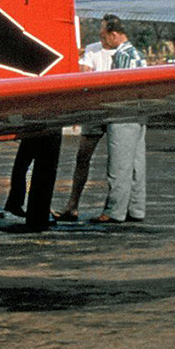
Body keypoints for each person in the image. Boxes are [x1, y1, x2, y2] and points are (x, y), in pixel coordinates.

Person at [92, 15, 147, 225]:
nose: (103, 41)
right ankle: (136, 208)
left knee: (119, 166)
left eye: (104, 36)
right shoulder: (138, 55)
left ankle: (114, 210)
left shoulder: (122, 57)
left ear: (114, 35)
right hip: (139, 114)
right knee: (136, 165)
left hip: (123, 114)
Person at [54, 40, 112, 222]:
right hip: (95, 108)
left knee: (115, 161)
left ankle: (110, 207)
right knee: (83, 157)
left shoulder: (124, 50)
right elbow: (83, 74)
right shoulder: (93, 49)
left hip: (111, 107)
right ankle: (73, 205)